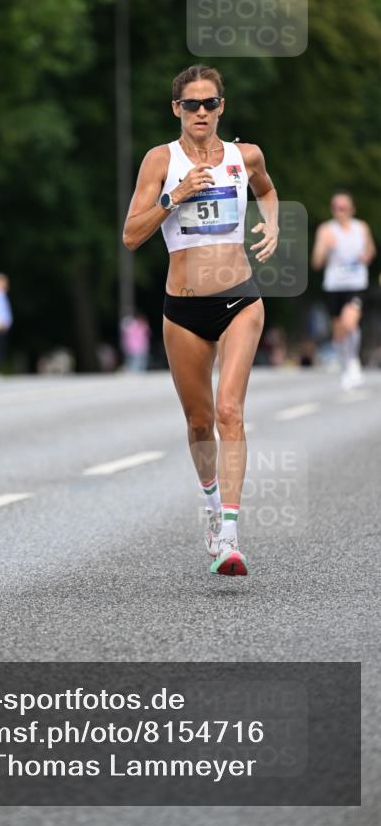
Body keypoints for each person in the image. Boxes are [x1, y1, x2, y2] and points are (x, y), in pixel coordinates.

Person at [123, 64, 279, 577]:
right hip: (184, 308)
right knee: (199, 421)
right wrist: (175, 196)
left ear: (221, 107)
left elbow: (267, 190)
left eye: (210, 103)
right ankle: (212, 507)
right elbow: (131, 235)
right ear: (177, 109)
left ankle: (229, 536)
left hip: (240, 299)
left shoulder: (244, 155)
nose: (201, 112)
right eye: (191, 104)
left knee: (230, 410)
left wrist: (272, 226)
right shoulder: (160, 160)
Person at [311, 192, 376, 389]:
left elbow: (371, 250)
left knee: (350, 323)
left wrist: (366, 256)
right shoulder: (326, 230)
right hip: (334, 285)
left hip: (356, 284)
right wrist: (325, 248)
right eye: (336, 207)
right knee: (339, 332)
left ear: (352, 209)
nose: (340, 211)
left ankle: (354, 363)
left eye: (344, 207)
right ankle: (346, 367)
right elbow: (316, 263)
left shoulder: (361, 228)